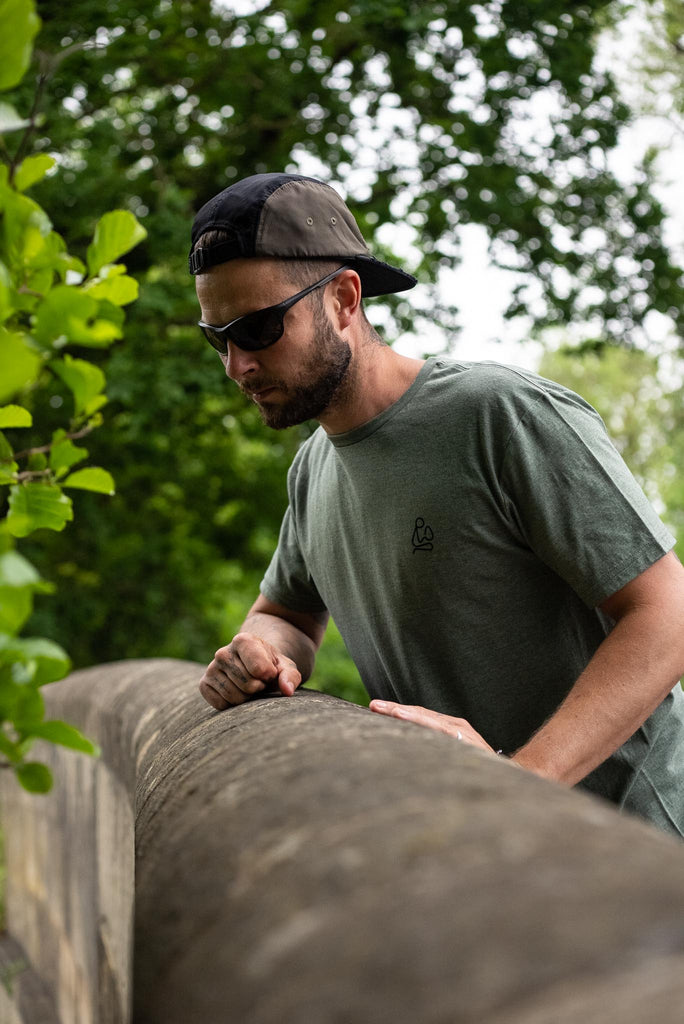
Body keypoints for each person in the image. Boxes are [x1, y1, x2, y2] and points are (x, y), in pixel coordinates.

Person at [189, 171, 684, 836]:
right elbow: (287, 613)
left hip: (636, 852)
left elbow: (668, 613)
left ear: (343, 298)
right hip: (489, 857)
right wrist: (259, 652)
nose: (236, 366)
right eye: (217, 337)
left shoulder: (500, 414)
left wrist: (522, 779)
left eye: (257, 329)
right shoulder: (313, 469)